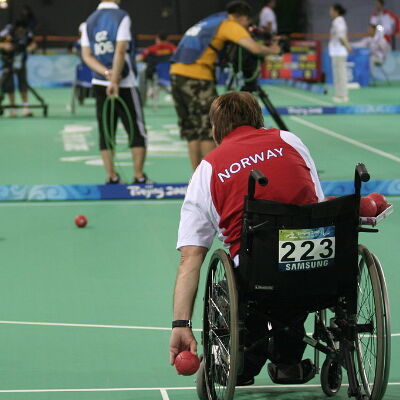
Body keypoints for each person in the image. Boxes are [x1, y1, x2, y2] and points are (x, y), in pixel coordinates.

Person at [169, 92, 324, 385]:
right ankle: (288, 360)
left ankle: (244, 364)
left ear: (215, 129)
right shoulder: (290, 141)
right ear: (258, 119)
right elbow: (317, 201)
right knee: (293, 270)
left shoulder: (208, 169)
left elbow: (190, 257)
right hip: (318, 263)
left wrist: (181, 323)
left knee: (249, 281)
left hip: (258, 275)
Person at [170, 0, 280, 170]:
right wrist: (274, 50)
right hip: (197, 77)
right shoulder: (230, 24)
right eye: (247, 24)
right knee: (208, 129)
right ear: (243, 18)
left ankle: (197, 177)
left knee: (192, 130)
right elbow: (255, 48)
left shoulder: (211, 21)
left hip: (176, 74)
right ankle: (211, 177)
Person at [81, 0, 150, 184]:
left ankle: (111, 176)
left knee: (106, 130)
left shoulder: (89, 21)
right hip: (124, 83)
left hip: (99, 82)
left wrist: (105, 73)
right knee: (136, 129)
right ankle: (139, 176)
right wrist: (114, 80)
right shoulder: (121, 17)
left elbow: (86, 55)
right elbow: (120, 50)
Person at [0, 19, 37, 117]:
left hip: (20, 60)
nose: (22, 32)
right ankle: (13, 108)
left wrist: (31, 47)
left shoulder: (28, 33)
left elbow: (33, 43)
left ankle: (26, 107)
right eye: (21, 30)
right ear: (16, 28)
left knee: (23, 83)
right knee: (9, 85)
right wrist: (4, 45)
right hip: (8, 61)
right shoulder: (6, 32)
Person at [328, 3, 352, 103]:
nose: (330, 12)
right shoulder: (337, 21)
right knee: (337, 75)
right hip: (336, 52)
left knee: (341, 75)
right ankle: (339, 95)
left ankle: (343, 96)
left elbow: (341, 36)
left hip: (339, 52)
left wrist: (347, 47)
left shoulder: (338, 22)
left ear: (336, 11)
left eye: (331, 10)